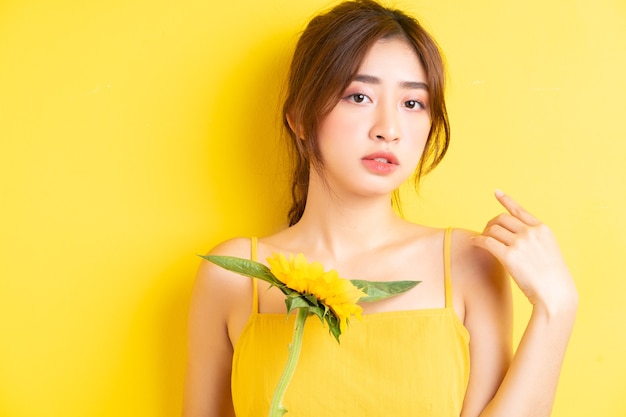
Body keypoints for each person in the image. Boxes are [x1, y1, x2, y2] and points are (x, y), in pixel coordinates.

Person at [183, 0, 578, 416]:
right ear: (299, 117)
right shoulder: (231, 275)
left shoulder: (468, 262)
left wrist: (557, 306)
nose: (388, 130)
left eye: (413, 104)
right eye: (359, 96)